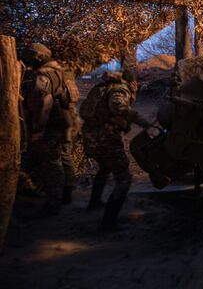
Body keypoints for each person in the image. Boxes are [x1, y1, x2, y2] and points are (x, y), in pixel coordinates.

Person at [80, 69, 150, 231]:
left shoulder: (103, 87)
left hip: (91, 136)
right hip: (106, 138)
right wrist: (141, 121)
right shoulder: (120, 89)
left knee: (104, 168)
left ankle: (94, 203)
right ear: (132, 82)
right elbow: (118, 106)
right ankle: (108, 222)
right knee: (124, 178)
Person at [22, 43, 80, 217]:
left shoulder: (43, 74)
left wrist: (38, 129)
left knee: (51, 164)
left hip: (51, 125)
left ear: (37, 57)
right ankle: (67, 196)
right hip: (67, 122)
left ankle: (53, 204)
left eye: (29, 57)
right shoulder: (63, 71)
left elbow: (44, 103)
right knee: (65, 157)